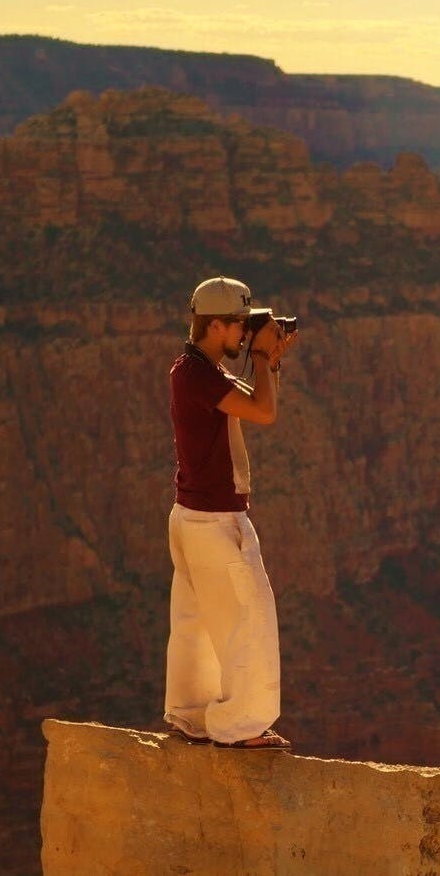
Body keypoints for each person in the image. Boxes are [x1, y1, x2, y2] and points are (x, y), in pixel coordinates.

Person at [163, 276, 297, 750]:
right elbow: (263, 412)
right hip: (217, 520)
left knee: (195, 622)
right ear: (215, 325)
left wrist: (269, 362)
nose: (246, 331)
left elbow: (249, 398)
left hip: (190, 516)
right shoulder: (200, 376)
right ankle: (240, 726)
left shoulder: (192, 370)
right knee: (251, 617)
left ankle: (191, 717)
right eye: (239, 323)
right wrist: (262, 359)